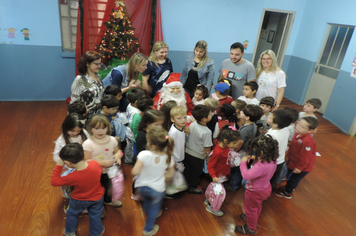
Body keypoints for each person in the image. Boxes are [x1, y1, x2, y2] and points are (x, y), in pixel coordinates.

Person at [51, 143, 105, 236]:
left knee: (72, 214)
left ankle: (70, 232)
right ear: (82, 154)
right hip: (97, 197)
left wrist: (58, 166)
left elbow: (54, 182)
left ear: (68, 163)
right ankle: (96, 233)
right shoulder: (95, 164)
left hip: (79, 200)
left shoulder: (72, 176)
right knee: (95, 216)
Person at [132, 127, 175, 236]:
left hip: (142, 187)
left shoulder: (143, 155)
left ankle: (147, 213)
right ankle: (148, 229)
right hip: (157, 189)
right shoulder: (169, 158)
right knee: (154, 207)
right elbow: (170, 175)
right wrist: (164, 174)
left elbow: (135, 171)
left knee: (146, 202)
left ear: (152, 144)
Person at [235, 135, 278, 235]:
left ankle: (251, 228)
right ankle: (252, 218)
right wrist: (257, 158)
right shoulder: (272, 159)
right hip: (265, 188)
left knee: (250, 209)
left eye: (256, 151)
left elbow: (246, 176)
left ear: (262, 152)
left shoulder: (260, 166)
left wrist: (243, 162)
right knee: (256, 206)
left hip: (254, 191)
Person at [83, 115, 123, 208]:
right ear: (91, 129)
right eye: (96, 128)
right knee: (95, 190)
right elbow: (86, 160)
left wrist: (118, 155)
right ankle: (97, 206)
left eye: (103, 128)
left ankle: (108, 201)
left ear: (107, 128)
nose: (100, 131)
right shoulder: (88, 143)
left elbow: (117, 151)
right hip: (94, 172)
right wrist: (101, 163)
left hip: (109, 171)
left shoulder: (112, 140)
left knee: (110, 188)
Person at [274, 117, 318, 199]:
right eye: (298, 124)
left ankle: (288, 192)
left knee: (293, 179)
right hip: (293, 162)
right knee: (289, 176)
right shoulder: (297, 133)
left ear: (309, 131)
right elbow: (293, 147)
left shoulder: (307, 141)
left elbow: (305, 158)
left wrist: (299, 168)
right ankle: (288, 187)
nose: (298, 127)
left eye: (302, 127)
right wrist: (287, 156)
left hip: (302, 167)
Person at [226, 105, 263, 192]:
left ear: (247, 117)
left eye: (242, 112)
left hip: (241, 153)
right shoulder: (252, 124)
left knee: (237, 169)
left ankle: (233, 185)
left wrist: (233, 150)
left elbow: (239, 144)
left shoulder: (245, 130)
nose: (240, 112)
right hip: (247, 150)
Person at [205, 126, 241, 216]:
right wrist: (214, 176)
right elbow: (210, 166)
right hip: (217, 177)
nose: (236, 145)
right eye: (234, 143)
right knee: (219, 194)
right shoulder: (218, 152)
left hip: (221, 175)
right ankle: (212, 207)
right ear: (225, 141)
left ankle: (209, 199)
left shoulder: (224, 146)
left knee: (214, 189)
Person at [184, 105, 213, 194]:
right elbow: (207, 147)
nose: (212, 115)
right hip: (197, 156)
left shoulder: (193, 123)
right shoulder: (207, 132)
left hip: (187, 151)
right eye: (210, 114)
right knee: (196, 172)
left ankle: (186, 182)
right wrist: (208, 158)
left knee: (188, 169)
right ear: (204, 119)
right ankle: (193, 187)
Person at [70, 51, 105, 124]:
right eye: (96, 64)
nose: (99, 66)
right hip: (86, 120)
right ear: (87, 64)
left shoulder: (98, 76)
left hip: (99, 118)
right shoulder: (80, 80)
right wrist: (74, 122)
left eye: (100, 64)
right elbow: (74, 103)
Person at [266, 110, 293, 186]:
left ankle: (262, 196)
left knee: (266, 181)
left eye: (270, 117)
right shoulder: (285, 129)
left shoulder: (272, 136)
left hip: (271, 162)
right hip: (280, 160)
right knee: (271, 180)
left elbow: (266, 150)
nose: (268, 116)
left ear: (275, 124)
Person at [124, 88, 145, 165]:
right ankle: (133, 161)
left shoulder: (130, 105)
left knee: (128, 146)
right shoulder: (136, 112)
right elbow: (131, 124)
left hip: (128, 132)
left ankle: (127, 160)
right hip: (132, 133)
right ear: (136, 102)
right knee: (133, 148)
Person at [168, 106, 188, 172]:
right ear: (172, 119)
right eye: (179, 118)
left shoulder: (181, 127)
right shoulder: (173, 132)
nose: (183, 120)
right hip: (176, 160)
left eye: (185, 117)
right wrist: (172, 162)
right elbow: (169, 147)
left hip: (180, 158)